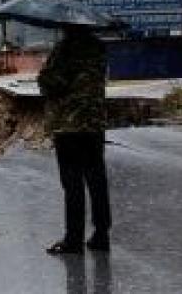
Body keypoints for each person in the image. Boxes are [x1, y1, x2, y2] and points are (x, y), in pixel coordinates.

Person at [38, 27, 112, 254]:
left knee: (73, 183)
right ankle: (101, 234)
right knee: (97, 178)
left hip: (69, 124)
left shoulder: (65, 48)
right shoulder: (99, 48)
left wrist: (43, 75)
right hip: (94, 123)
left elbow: (51, 83)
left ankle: (74, 239)